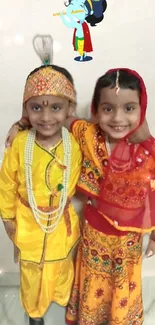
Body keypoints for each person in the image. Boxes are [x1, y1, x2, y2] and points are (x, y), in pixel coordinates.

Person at [5, 68, 155, 325]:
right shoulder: (87, 135)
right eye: (108, 109)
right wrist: (19, 123)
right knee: (86, 286)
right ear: (96, 110)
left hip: (127, 244)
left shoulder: (147, 152)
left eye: (129, 109)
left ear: (141, 110)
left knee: (120, 291)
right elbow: (56, 115)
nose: (118, 118)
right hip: (92, 236)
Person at [0, 35, 82, 325]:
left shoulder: (76, 142)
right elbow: (7, 182)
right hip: (28, 225)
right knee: (32, 273)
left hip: (62, 226)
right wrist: (8, 217)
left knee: (61, 269)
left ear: (70, 108)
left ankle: (61, 303)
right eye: (36, 108)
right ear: (26, 110)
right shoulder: (20, 144)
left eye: (55, 108)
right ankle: (34, 314)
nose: (46, 117)